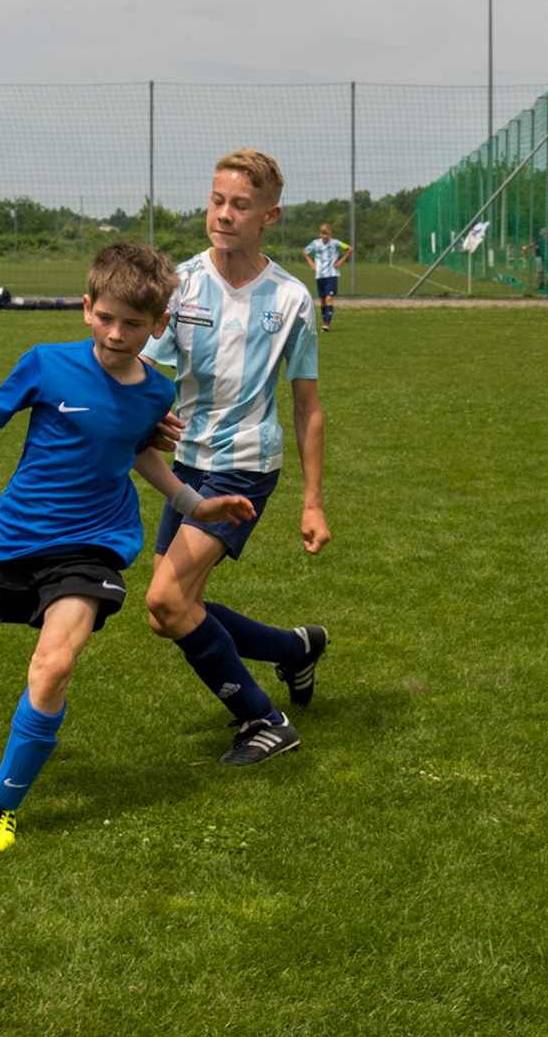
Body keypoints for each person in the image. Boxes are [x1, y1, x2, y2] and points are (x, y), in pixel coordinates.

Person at [0, 242, 255, 855]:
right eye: (105, 317)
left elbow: (137, 451)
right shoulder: (46, 363)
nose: (117, 334)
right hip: (14, 540)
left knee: (53, 665)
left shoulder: (157, 393)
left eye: (134, 323)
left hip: (93, 547)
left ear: (159, 325)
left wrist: (195, 504)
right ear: (86, 308)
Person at [140, 148, 330, 768]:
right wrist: (146, 415)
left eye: (240, 205)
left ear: (269, 216)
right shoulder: (182, 283)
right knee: (167, 613)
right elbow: (146, 369)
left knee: (168, 602)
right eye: (217, 201)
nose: (223, 214)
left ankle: (264, 721)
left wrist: (312, 501)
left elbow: (308, 406)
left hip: (245, 464)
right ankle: (294, 650)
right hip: (185, 464)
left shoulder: (292, 298)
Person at [303, 223, 351, 331]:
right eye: (323, 234)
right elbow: (305, 251)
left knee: (329, 298)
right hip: (320, 275)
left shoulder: (335, 243)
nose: (325, 236)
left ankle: (327, 324)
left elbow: (349, 248)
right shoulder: (315, 244)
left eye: (327, 234)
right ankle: (325, 322)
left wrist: (341, 261)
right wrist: (311, 264)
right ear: (320, 234)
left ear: (330, 234)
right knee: (322, 299)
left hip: (331, 274)